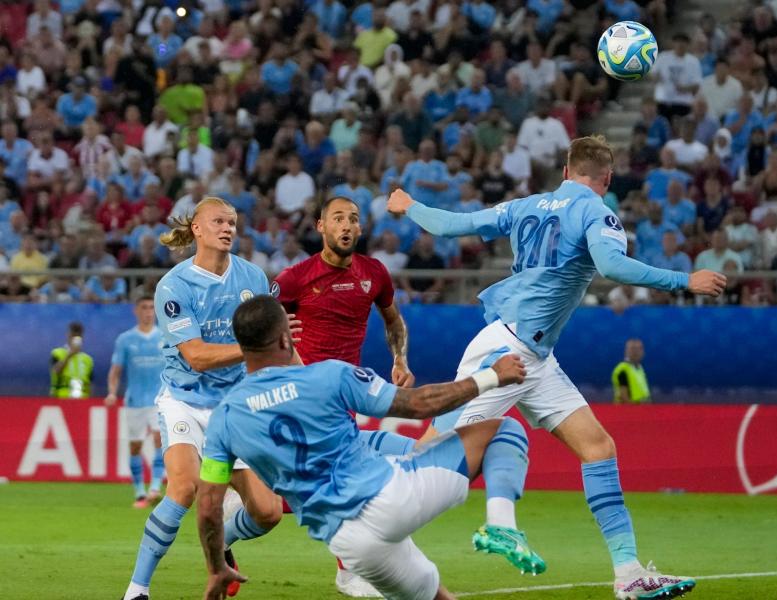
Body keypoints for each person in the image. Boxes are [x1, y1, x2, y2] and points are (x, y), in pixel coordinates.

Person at [387, 135, 724, 599]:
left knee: (599, 448)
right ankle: (373, 538)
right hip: (505, 352)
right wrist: (684, 279)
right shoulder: (597, 212)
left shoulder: (527, 205)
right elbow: (613, 266)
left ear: (566, 171)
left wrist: (409, 205)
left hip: (534, 357)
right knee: (431, 456)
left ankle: (628, 574)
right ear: (605, 180)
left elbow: (453, 225)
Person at [195, 295, 535, 600]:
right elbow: (418, 405)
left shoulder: (224, 419)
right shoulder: (329, 376)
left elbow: (209, 506)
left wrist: (215, 568)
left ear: (242, 347)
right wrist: (491, 377)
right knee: (503, 429)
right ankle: (501, 524)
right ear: (286, 338)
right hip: (390, 497)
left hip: (350, 544)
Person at [121, 197, 301, 600]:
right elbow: (198, 357)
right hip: (184, 399)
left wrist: (307, 384)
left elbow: (283, 344)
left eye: (233, 222)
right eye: (219, 221)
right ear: (197, 230)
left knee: (268, 513)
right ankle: (136, 590)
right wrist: (256, 345)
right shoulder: (175, 285)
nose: (228, 228)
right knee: (183, 488)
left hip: (233, 407)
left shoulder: (253, 277)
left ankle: (221, 543)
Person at [273, 195, 418, 597]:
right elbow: (257, 328)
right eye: (338, 218)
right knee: (340, 481)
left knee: (286, 498)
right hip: (298, 394)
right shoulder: (294, 278)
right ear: (321, 226)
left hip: (343, 396)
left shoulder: (374, 273)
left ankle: (230, 526)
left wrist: (399, 360)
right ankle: (350, 570)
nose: (347, 225)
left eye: (353, 218)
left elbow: (394, 321)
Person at [105, 296, 166, 508]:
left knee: (160, 440)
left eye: (151, 308)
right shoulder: (125, 339)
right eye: (144, 308)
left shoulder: (165, 337)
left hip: (160, 400)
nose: (148, 311)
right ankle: (139, 492)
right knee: (135, 446)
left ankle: (155, 488)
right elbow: (115, 371)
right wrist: (112, 392)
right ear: (136, 311)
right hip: (135, 401)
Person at [49, 321, 93, 399]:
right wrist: (69, 355)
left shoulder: (88, 359)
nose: (75, 338)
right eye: (73, 335)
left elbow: (89, 383)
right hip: (62, 397)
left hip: (82, 399)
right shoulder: (58, 353)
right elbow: (56, 371)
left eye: (78, 335)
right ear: (68, 335)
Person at [611, 339, 650, 404]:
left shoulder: (640, 368)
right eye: (633, 349)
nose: (635, 352)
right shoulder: (623, 370)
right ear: (626, 351)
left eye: (639, 349)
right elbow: (624, 396)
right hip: (629, 410)